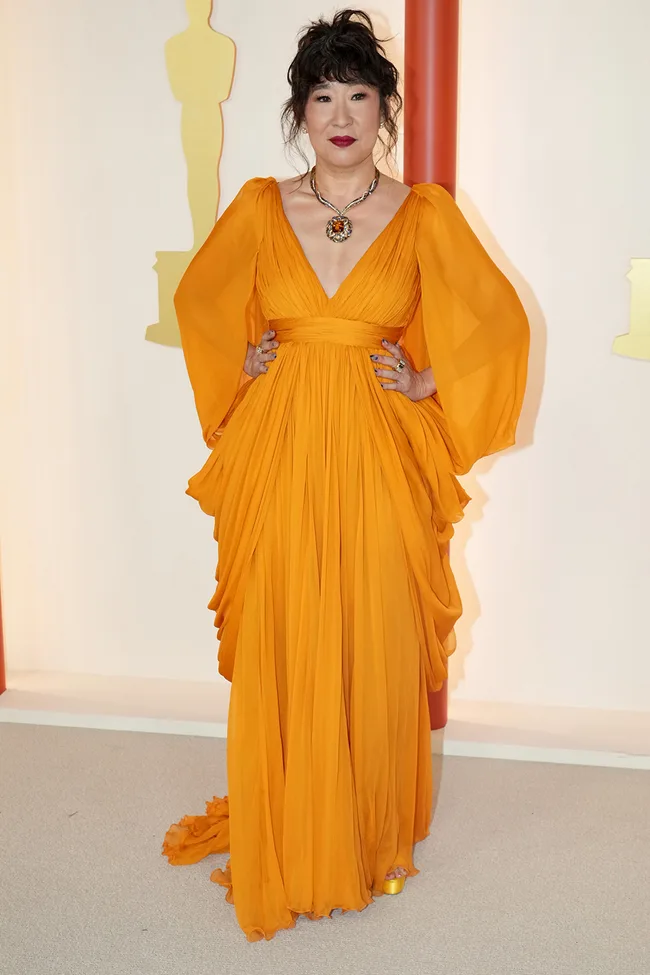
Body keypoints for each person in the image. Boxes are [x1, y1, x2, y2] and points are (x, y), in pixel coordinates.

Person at [162, 8, 530, 943]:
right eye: (322, 96)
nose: (340, 114)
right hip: (285, 437)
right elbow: (203, 301)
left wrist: (429, 379)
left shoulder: (422, 212)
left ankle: (362, 831)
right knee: (287, 618)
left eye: (358, 95)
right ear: (300, 111)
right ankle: (292, 820)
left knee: (374, 622)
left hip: (376, 441)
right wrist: (246, 354)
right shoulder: (260, 206)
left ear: (382, 110)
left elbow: (497, 324)